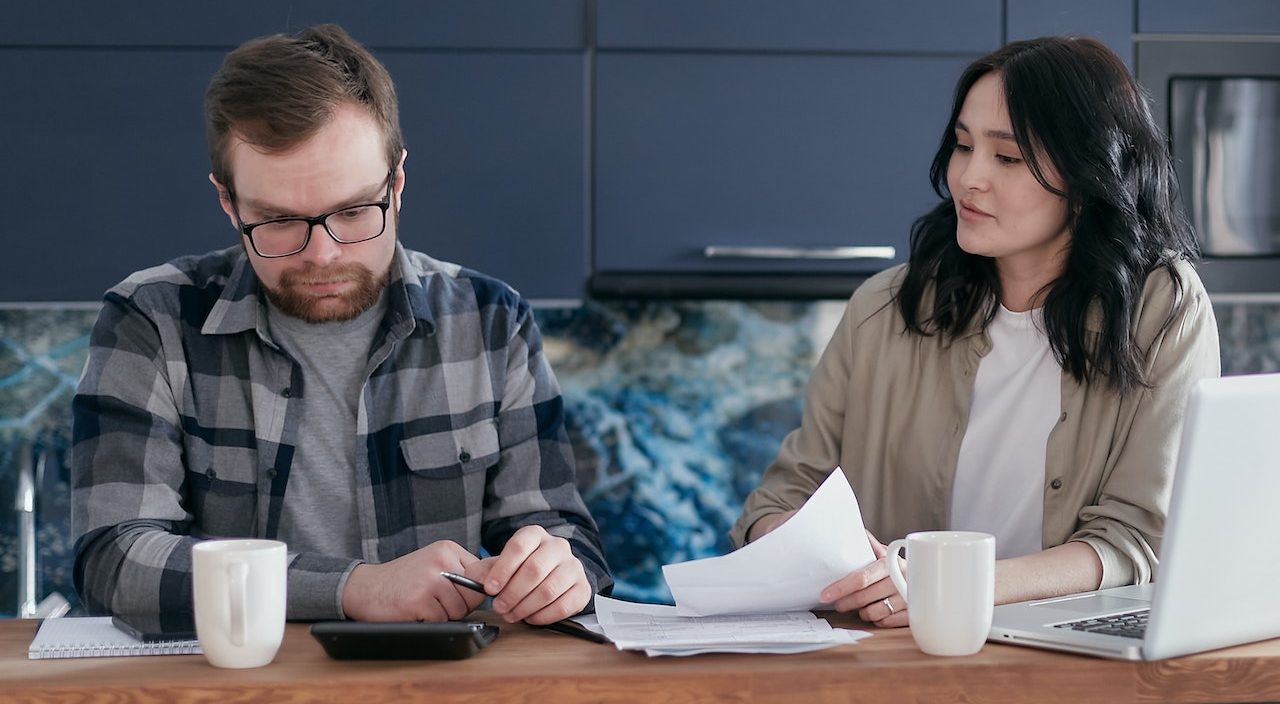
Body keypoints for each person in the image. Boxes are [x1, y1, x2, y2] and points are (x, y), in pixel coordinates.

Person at [71, 24, 610, 625]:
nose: (322, 255)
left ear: (396, 183)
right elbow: (113, 561)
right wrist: (354, 588)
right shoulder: (151, 319)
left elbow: (565, 536)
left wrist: (560, 573)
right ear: (228, 202)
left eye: (353, 212)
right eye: (278, 221)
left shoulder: (491, 321)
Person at [729, 36, 1220, 627]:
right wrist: (816, 552)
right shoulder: (883, 307)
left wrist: (953, 585)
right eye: (963, 146)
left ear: (1089, 175)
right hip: (893, 657)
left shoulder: (1161, 308)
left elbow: (1139, 536)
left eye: (1007, 157)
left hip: (1071, 657)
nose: (968, 177)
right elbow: (778, 504)